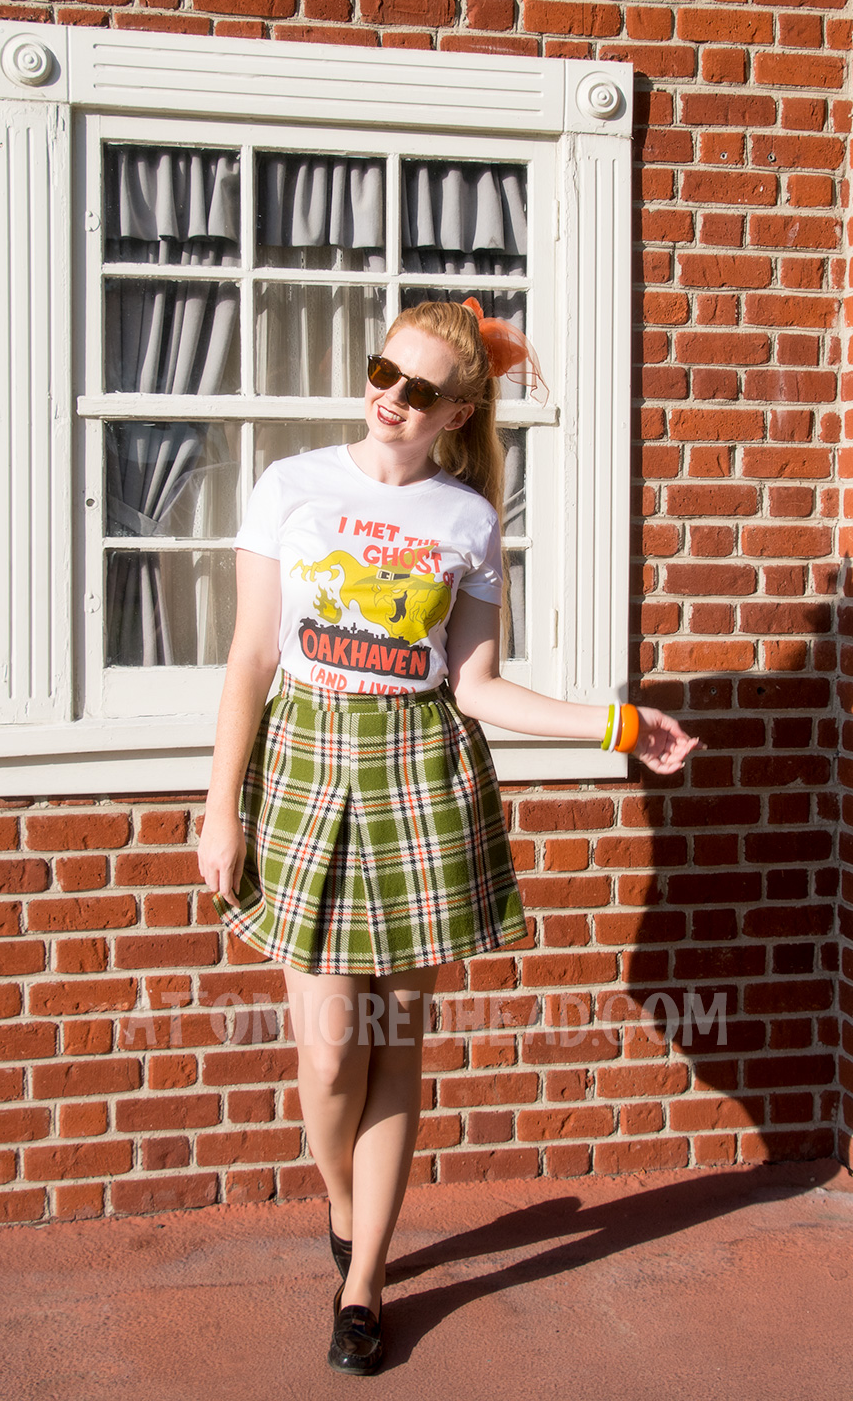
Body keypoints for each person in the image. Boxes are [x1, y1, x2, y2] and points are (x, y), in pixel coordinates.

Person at [197, 299, 698, 1377]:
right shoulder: (290, 487)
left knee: (396, 1040)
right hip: (303, 763)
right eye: (382, 370)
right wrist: (218, 801)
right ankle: (344, 1202)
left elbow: (473, 687)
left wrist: (615, 723)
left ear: (455, 410)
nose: (389, 395)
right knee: (331, 1049)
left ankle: (365, 1277)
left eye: (417, 388)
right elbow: (248, 658)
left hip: (421, 778)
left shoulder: (467, 517)